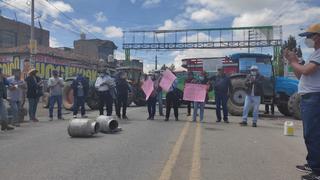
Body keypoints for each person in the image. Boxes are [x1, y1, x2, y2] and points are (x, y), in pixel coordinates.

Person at [285, 24, 320, 180]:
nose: (307, 40)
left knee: (313, 134)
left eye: (309, 36)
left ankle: (317, 170)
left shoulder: (319, 54)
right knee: (310, 134)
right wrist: (293, 62)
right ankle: (313, 163)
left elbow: (306, 71)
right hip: (309, 98)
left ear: (317, 37)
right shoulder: (315, 54)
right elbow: (302, 75)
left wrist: (293, 61)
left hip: (314, 97)